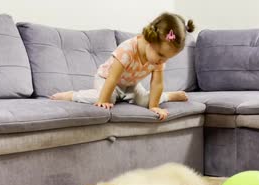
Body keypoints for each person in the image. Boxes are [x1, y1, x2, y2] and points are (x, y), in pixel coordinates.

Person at [51, 12, 195, 121]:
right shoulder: (127, 50)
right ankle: (72, 95)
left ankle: (168, 96)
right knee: (110, 99)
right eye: (161, 55)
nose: (162, 61)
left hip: (130, 85)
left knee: (145, 100)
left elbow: (157, 83)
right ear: (150, 40)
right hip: (106, 79)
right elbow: (112, 78)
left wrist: (154, 106)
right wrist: (103, 100)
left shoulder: (158, 59)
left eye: (167, 58)